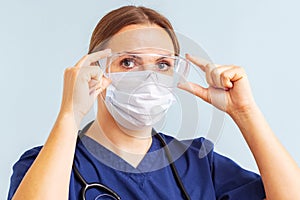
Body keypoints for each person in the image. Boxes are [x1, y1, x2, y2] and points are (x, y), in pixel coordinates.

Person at [8, 5, 300, 200]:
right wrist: (70, 114)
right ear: (94, 71)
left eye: (162, 64)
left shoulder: (198, 163)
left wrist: (245, 112)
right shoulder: (47, 164)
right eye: (128, 62)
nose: (148, 78)